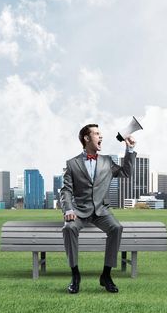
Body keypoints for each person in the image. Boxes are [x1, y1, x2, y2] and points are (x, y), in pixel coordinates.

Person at [60, 123, 136, 294]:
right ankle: (75, 275)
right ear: (86, 138)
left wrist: (129, 150)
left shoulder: (107, 161)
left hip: (101, 210)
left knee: (116, 228)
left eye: (100, 133)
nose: (101, 136)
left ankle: (106, 275)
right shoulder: (72, 164)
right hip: (79, 211)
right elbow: (66, 190)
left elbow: (126, 173)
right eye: (96, 133)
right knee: (69, 228)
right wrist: (68, 210)